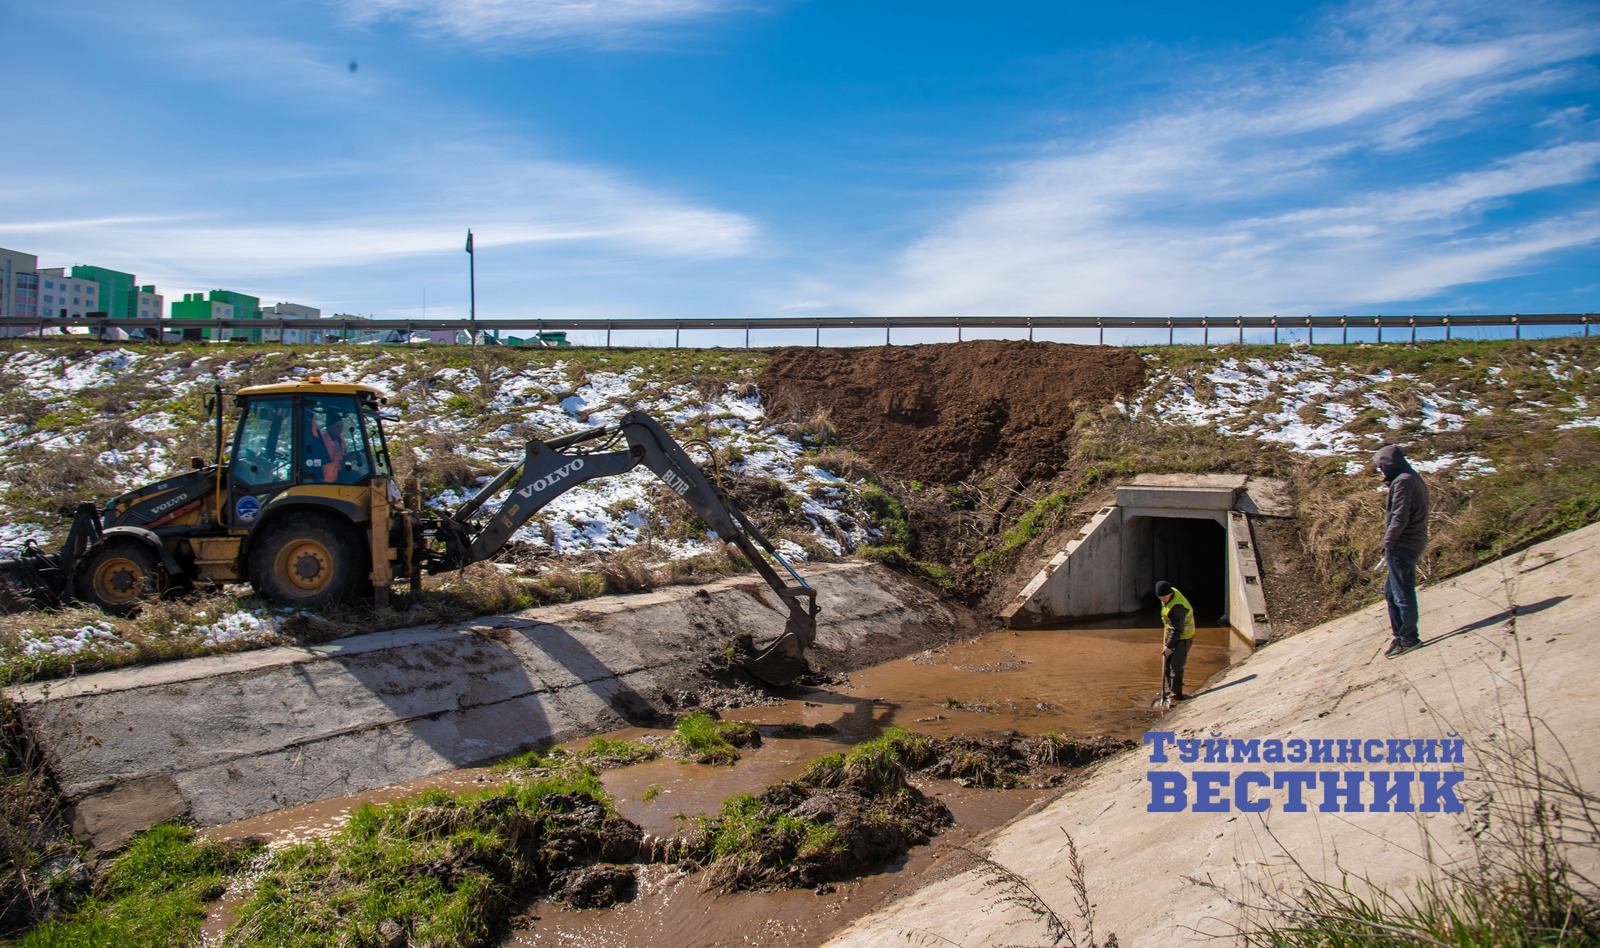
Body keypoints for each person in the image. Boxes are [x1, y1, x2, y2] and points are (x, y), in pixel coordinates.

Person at [1376, 444, 1429, 658]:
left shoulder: (1403, 482)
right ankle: (1400, 635)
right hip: (1412, 541)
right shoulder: (1411, 477)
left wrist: (1389, 542)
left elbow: (1399, 516)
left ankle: (1408, 638)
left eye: (1382, 466)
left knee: (1401, 593)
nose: (1381, 470)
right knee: (1391, 591)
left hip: (1403, 543)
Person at [1156, 580, 1195, 700]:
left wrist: (1168, 646)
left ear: (1170, 594)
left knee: (1176, 666)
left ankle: (1177, 694)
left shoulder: (1177, 607)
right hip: (1172, 635)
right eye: (1160, 597)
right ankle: (1170, 690)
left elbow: (1177, 629)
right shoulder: (1168, 595)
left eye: (1164, 597)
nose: (1162, 600)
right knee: (1166, 665)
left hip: (1183, 638)